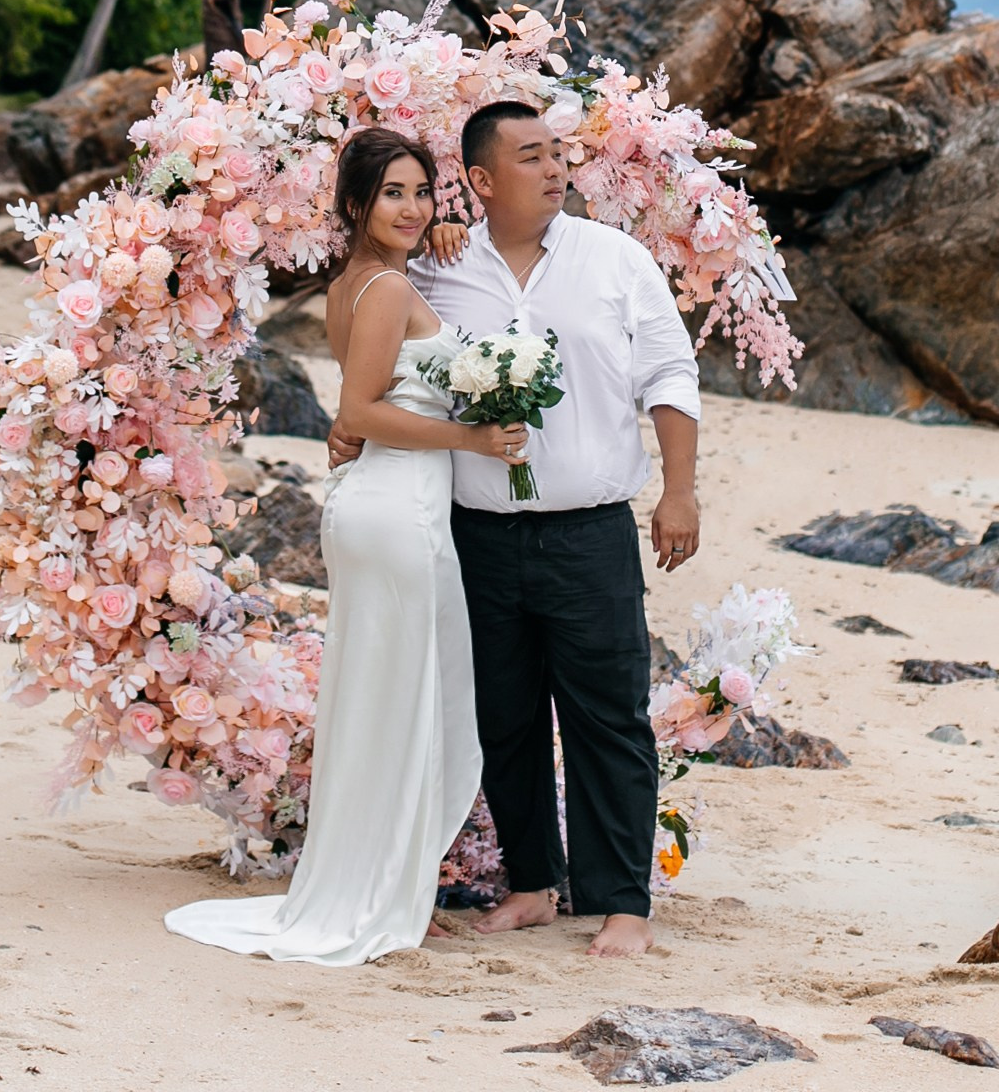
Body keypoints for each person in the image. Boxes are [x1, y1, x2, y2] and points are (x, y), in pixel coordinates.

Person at [334, 99, 701, 960]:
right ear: (483, 180)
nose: (553, 168)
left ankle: (622, 901)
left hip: (590, 531)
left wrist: (679, 490)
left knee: (609, 716)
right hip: (479, 533)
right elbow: (381, 349)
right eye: (530, 156)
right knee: (502, 714)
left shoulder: (617, 258)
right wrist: (350, 422)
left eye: (557, 153)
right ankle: (532, 884)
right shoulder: (439, 270)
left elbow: (670, 370)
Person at [164, 126, 527, 967]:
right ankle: (376, 888)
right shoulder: (387, 291)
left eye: (422, 191)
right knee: (406, 705)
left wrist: (435, 240)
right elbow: (356, 413)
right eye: (392, 192)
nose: (411, 206)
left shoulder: (360, 280)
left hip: (387, 504)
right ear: (356, 203)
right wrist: (473, 438)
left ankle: (380, 877)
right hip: (395, 507)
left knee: (384, 701)